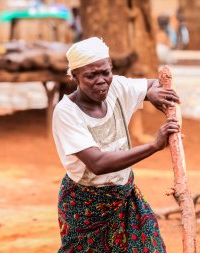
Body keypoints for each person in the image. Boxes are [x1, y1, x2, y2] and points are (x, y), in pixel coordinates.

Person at [52, 37, 180, 252]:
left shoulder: (117, 88)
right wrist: (154, 146)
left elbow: (153, 83)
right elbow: (98, 163)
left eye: (105, 72)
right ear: (75, 77)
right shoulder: (66, 113)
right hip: (85, 205)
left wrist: (151, 93)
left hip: (124, 197)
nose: (101, 80)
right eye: (91, 76)